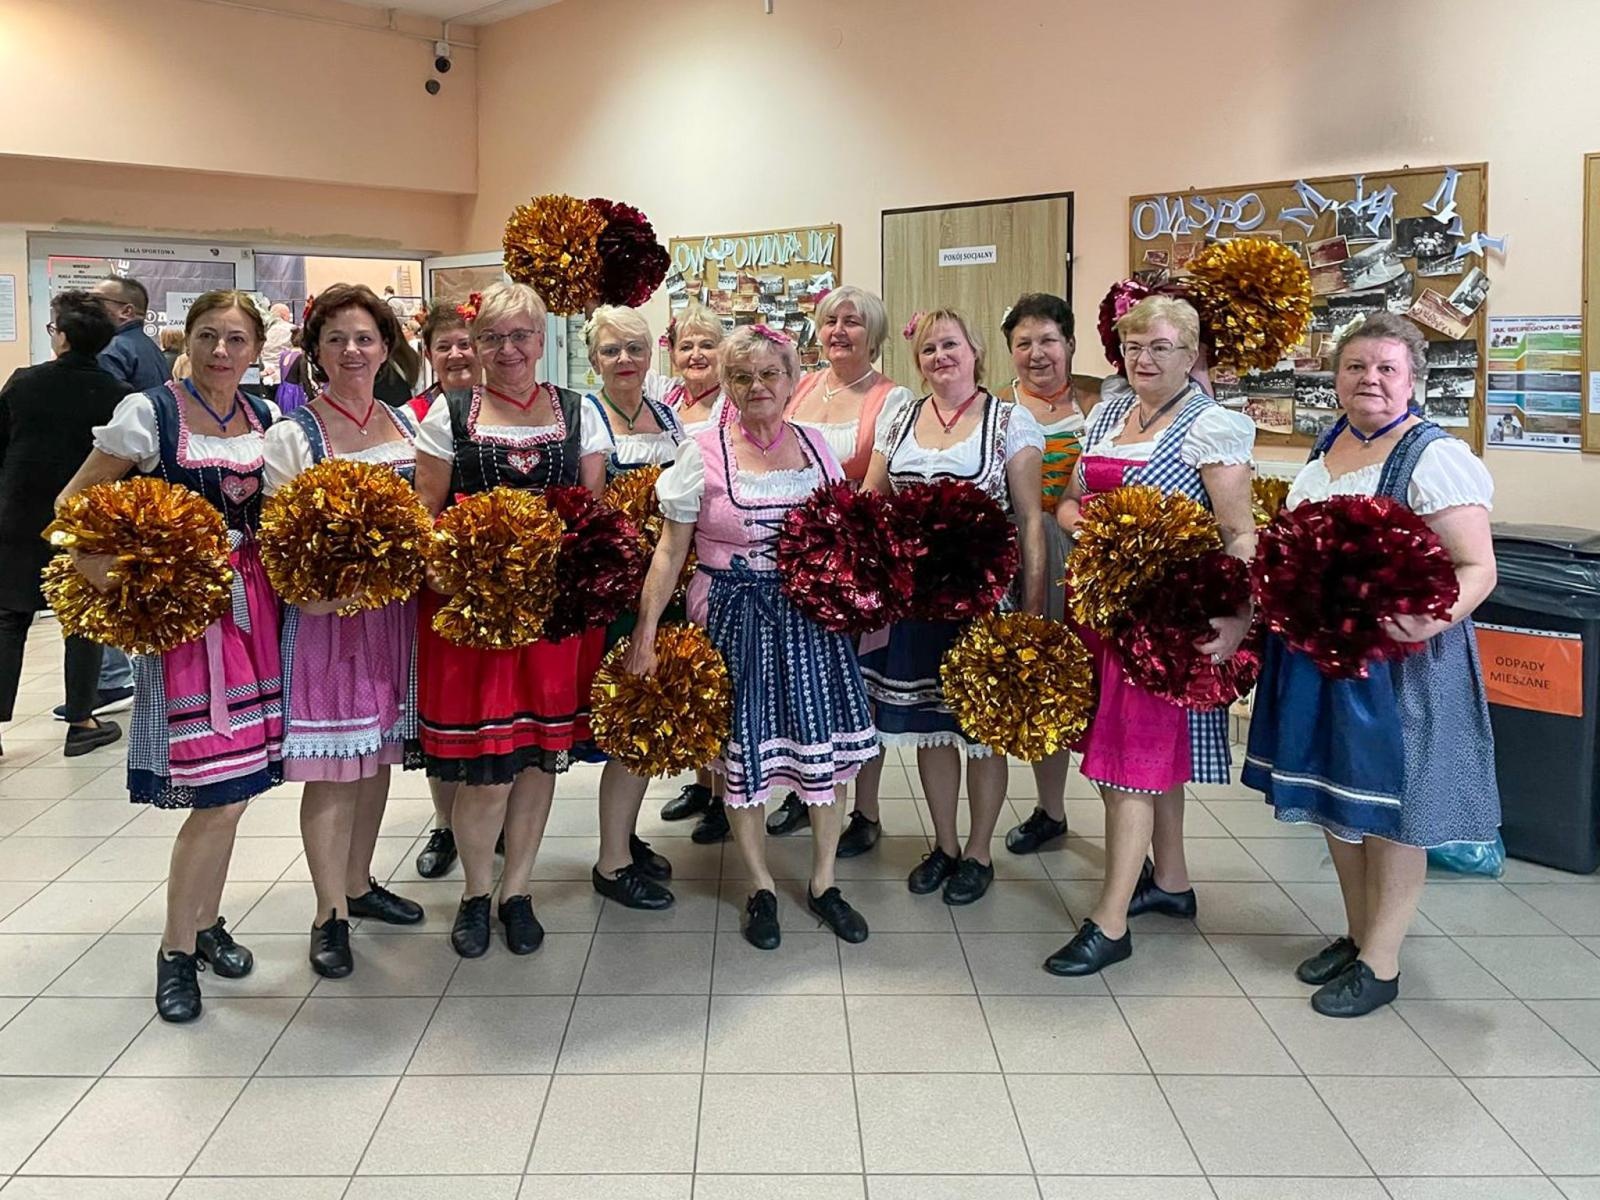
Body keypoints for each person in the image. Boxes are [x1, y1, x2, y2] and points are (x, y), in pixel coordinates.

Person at [1244, 312, 1500, 1017]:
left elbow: (1477, 566)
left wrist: (1433, 617)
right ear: (1336, 379)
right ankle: (1358, 936)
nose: (1371, 380)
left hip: (1404, 668)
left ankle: (1382, 962)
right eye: (1357, 367)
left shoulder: (1434, 456)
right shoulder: (1326, 455)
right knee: (1340, 804)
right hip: (1323, 660)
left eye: (1388, 368)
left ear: (1413, 381)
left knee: (1393, 811)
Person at [59, 289, 282, 1023]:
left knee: (238, 788)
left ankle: (208, 920)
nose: (223, 352)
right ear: (186, 339)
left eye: (237, 340)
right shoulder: (149, 413)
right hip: (191, 627)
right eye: (209, 336)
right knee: (214, 794)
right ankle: (175, 949)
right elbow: (73, 506)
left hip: (257, 617)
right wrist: (126, 584)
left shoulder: (267, 418)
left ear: (256, 350)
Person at [635, 325, 878, 948]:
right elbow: (669, 551)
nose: (757, 387)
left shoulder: (817, 445)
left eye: (770, 374)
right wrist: (646, 632)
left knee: (822, 752)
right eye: (742, 377)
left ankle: (824, 881)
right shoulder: (700, 449)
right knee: (744, 757)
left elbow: (845, 534)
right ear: (728, 384)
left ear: (793, 379)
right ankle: (761, 885)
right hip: (734, 619)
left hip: (811, 620)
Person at [1044, 296, 1256, 977]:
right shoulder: (1106, 413)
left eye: (1160, 347)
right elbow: (1070, 500)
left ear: (1189, 354)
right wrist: (1090, 531)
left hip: (1160, 620)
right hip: (1098, 606)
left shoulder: (1212, 425)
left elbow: (1239, 532)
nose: (1144, 359)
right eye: (1134, 347)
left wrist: (1243, 616)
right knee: (1130, 759)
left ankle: (1109, 922)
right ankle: (1171, 882)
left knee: (1131, 762)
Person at [413, 281, 606, 959]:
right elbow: (425, 517)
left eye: (521, 335)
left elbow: (592, 516)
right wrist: (465, 583)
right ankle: (474, 891)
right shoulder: (451, 413)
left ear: (543, 338)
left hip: (552, 619)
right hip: (475, 626)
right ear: (474, 344)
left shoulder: (580, 412)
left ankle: (516, 890)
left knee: (536, 764)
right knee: (485, 768)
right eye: (491, 337)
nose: (507, 350)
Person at [264, 284, 425, 979]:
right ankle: (328, 910)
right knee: (333, 768)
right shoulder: (293, 435)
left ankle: (359, 882)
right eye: (336, 340)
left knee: (377, 754)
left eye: (364, 338)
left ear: (386, 347)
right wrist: (321, 592)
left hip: (393, 616)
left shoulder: (405, 423)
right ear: (315, 355)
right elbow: (276, 540)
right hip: (329, 621)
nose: (352, 351)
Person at [860, 309, 1046, 907]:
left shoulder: (1009, 422)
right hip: (915, 602)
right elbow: (873, 497)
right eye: (929, 350)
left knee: (981, 733)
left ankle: (979, 850)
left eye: (951, 345)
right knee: (932, 728)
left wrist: (1032, 613)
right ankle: (942, 844)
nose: (940, 357)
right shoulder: (902, 418)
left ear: (974, 352)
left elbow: (1029, 521)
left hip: (985, 601)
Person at [767, 285, 913, 856]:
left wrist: (833, 541)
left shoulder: (891, 398)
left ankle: (865, 812)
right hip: (790, 555)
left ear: (873, 336)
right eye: (830, 321)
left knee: (857, 685)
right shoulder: (799, 385)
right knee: (801, 678)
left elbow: (876, 484)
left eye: (852, 323)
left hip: (852, 556)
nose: (838, 332)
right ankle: (805, 791)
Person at [580, 305, 683, 907]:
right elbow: (587, 510)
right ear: (594, 359)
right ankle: (612, 861)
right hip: (615, 593)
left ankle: (625, 837)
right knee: (627, 721)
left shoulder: (666, 413)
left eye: (635, 350)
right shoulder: (588, 417)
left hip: (665, 590)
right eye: (612, 351)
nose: (624, 361)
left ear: (651, 356)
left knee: (648, 717)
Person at [0, 292, 125, 759]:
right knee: (82, 619)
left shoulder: (23, 384)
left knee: (9, 619)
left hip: (17, 512)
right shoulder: (118, 394)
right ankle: (81, 719)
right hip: (82, 521)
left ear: (64, 338)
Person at [995, 293, 1098, 856]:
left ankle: (1132, 822)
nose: (1037, 354)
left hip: (1090, 557)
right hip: (1020, 554)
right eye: (1023, 343)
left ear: (1070, 344)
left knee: (1102, 688)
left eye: (1048, 340)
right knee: (1042, 683)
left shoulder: (1104, 401)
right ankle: (1050, 810)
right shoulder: (999, 409)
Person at [407, 300, 481, 880]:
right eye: (445, 346)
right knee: (446, 708)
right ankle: (446, 823)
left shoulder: (507, 409)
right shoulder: (410, 416)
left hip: (503, 591)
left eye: (466, 343)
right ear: (428, 354)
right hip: (439, 585)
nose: (458, 354)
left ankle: (489, 821)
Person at [655, 303, 729, 830]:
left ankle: (729, 793)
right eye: (687, 345)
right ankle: (703, 781)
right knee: (689, 674)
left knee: (721, 676)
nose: (697, 354)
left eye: (707, 344)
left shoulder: (733, 403)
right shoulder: (664, 402)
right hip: (670, 551)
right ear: (674, 353)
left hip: (715, 557)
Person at [85, 275, 169, 718]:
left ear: (126, 311)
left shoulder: (115, 354)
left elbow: (80, 493)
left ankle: (113, 677)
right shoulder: (148, 352)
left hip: (139, 506)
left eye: (98, 301)